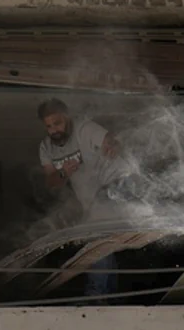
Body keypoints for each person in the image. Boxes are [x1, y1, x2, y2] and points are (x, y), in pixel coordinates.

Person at [37, 98, 125, 299]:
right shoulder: (46, 148)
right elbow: (51, 181)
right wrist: (63, 173)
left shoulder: (84, 129)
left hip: (113, 187)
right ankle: (110, 296)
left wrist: (112, 146)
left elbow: (109, 140)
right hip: (93, 201)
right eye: (48, 126)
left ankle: (95, 294)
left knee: (96, 235)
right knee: (104, 241)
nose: (53, 130)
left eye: (57, 123)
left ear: (67, 118)